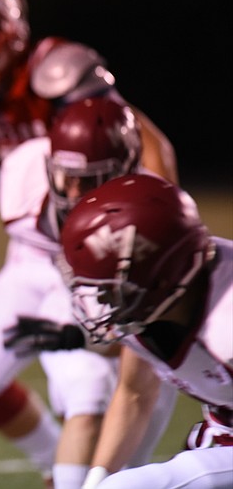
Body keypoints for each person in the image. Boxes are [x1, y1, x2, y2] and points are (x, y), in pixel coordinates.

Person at [0, 0, 179, 485]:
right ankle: (54, 465)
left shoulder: (56, 69)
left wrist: (155, 212)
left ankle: (84, 475)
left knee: (84, 385)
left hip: (90, 249)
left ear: (11, 26)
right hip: (30, 247)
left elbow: (142, 139)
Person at [53, 174, 232, 488]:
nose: (102, 301)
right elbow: (134, 394)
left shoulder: (225, 323)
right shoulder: (153, 307)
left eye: (115, 288)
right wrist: (96, 478)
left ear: (162, 276)